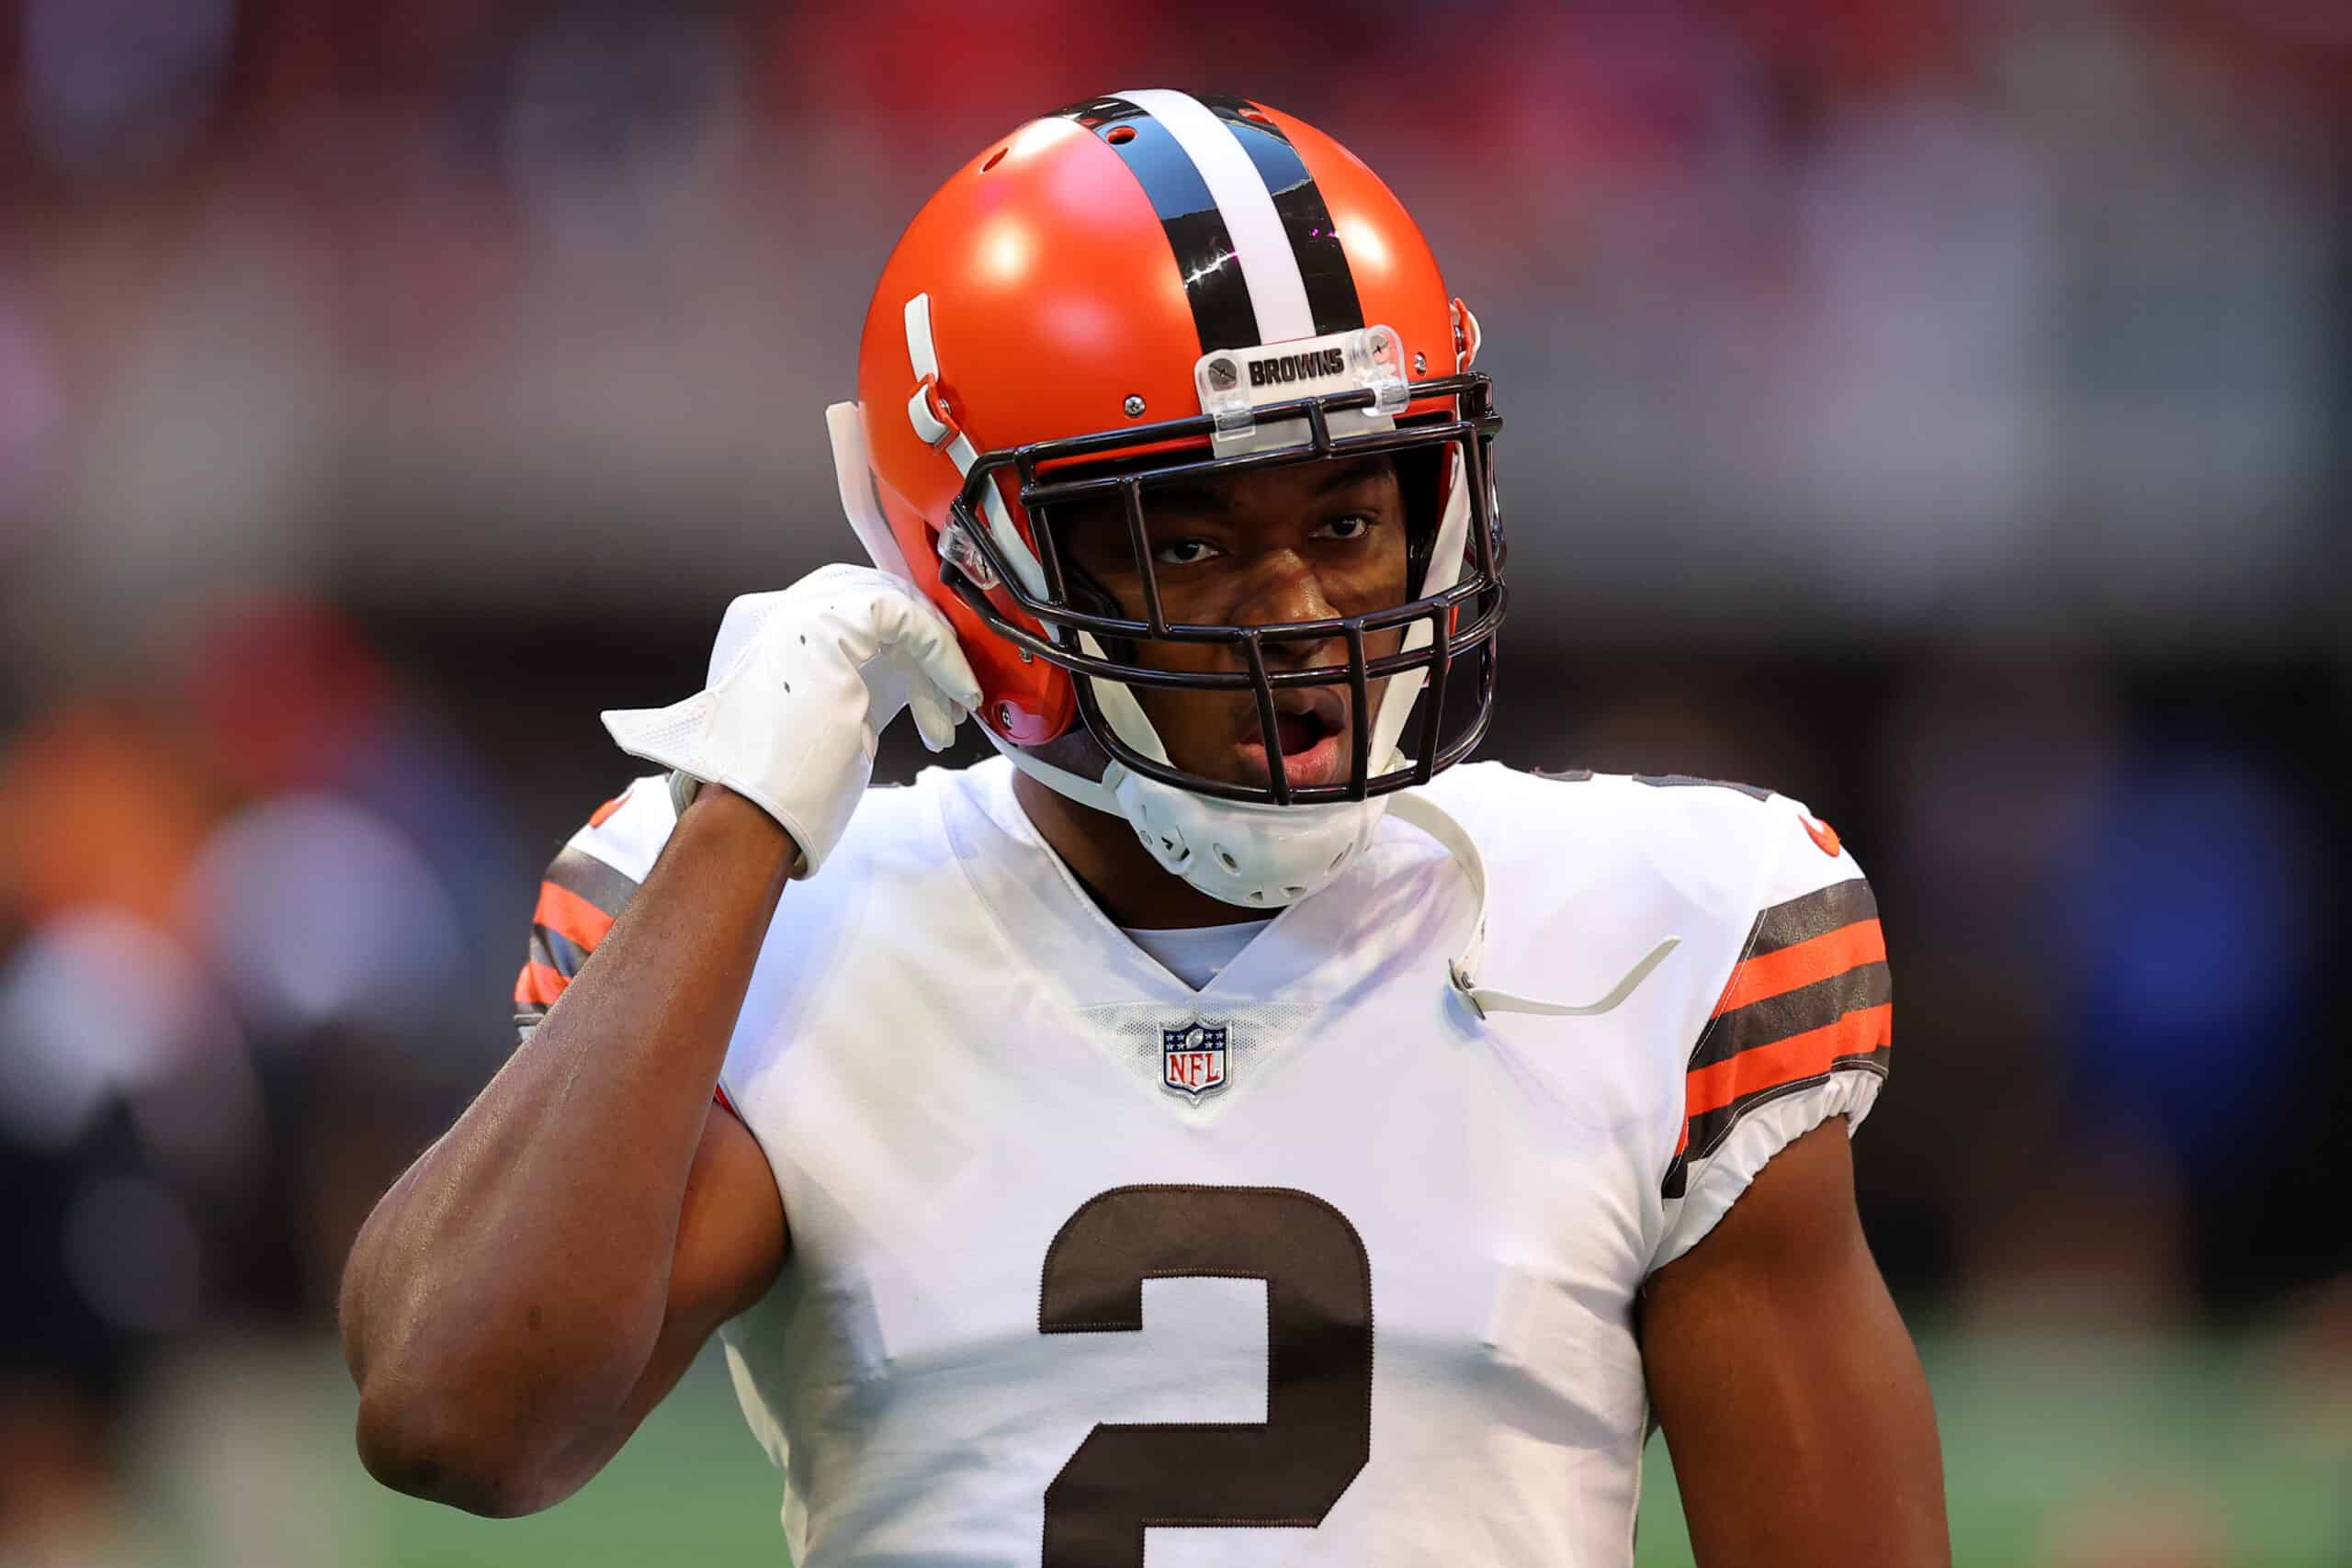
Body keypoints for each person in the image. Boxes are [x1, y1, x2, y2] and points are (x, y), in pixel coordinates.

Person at [337, 90, 1948, 1566]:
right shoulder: (800, 931)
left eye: (1345, 518)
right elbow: (457, 1416)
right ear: (964, 561)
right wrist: (741, 816)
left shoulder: (1656, 930)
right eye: (1184, 544)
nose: (1301, 613)